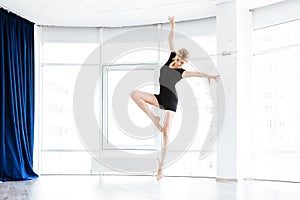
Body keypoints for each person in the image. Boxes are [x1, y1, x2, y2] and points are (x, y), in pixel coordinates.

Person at [130, 16, 220, 181]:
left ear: (184, 63)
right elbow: (170, 39)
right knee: (134, 94)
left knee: (166, 132)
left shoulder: (182, 72)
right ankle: (154, 118)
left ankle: (161, 168)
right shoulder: (171, 57)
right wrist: (173, 25)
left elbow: (196, 74)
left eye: (181, 61)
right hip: (159, 97)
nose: (178, 62)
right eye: (178, 59)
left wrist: (210, 76)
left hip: (171, 101)